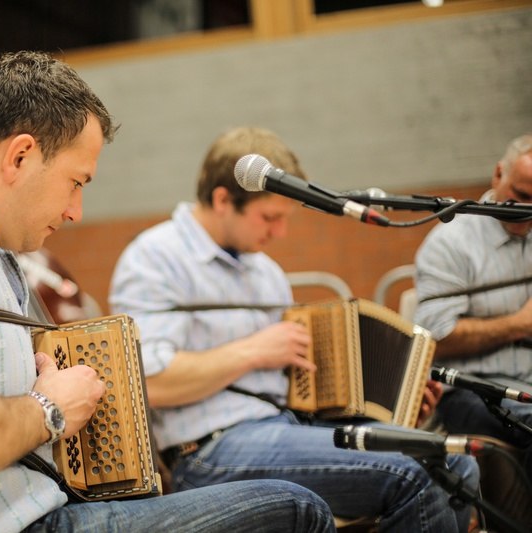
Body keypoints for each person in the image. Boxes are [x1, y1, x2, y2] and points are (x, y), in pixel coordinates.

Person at [0, 52, 336, 532]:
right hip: (14, 525)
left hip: (37, 508)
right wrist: (47, 408)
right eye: (76, 182)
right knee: (297, 510)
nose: (75, 211)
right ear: (20, 156)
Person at [109, 126, 480, 532]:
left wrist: (396, 403)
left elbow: (296, 386)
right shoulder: (154, 257)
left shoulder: (265, 271)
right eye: (270, 218)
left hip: (289, 426)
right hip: (209, 449)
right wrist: (255, 351)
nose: (280, 233)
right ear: (222, 200)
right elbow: (151, 383)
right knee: (417, 472)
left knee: (453, 464)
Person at [414, 133, 532, 477]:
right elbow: (436, 338)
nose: (528, 212)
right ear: (498, 174)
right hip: (471, 390)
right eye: (522, 196)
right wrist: (520, 324)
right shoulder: (451, 243)